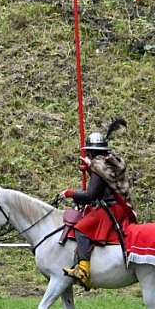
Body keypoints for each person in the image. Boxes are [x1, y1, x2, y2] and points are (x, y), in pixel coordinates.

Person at [61, 120, 135, 290]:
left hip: (110, 209)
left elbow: (90, 195)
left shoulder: (97, 167)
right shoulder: (108, 163)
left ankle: (83, 270)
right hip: (120, 206)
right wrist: (89, 168)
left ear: (91, 152)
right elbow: (106, 178)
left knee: (80, 228)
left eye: (89, 153)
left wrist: (69, 193)